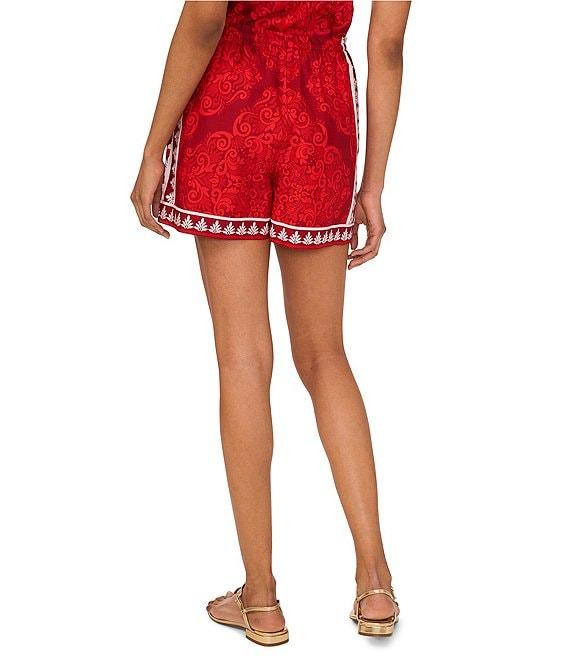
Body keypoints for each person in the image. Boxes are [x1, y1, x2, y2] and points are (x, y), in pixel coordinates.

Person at [131, 0, 410, 646]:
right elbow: (388, 45)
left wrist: (153, 145)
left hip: (232, 103)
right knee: (326, 356)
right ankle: (375, 581)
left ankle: (260, 599)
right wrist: (373, 184)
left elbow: (205, 18)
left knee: (242, 359)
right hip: (322, 113)